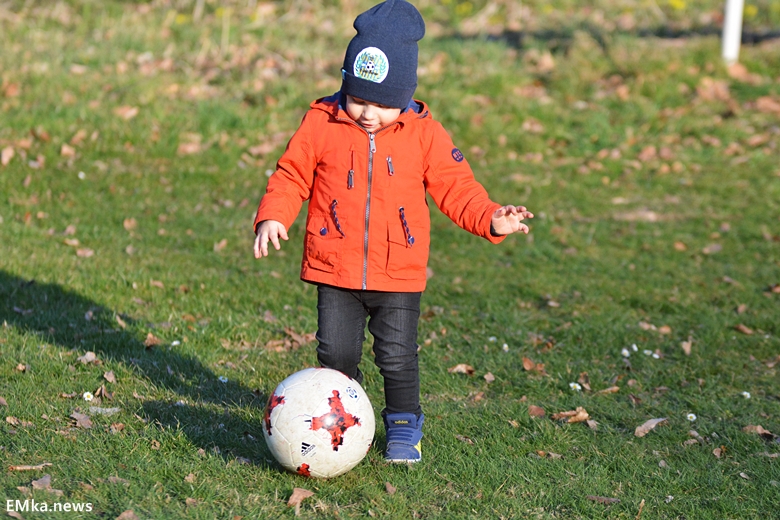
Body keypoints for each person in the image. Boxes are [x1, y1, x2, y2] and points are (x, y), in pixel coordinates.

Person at [252, 0, 533, 463]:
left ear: (404, 95)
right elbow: (291, 174)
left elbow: (456, 187)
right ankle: (344, 420)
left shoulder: (424, 134)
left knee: (398, 356)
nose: (366, 113)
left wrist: (490, 219)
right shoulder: (321, 121)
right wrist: (274, 214)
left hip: (398, 270)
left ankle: (403, 423)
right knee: (336, 355)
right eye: (358, 98)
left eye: (381, 104)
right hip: (334, 266)